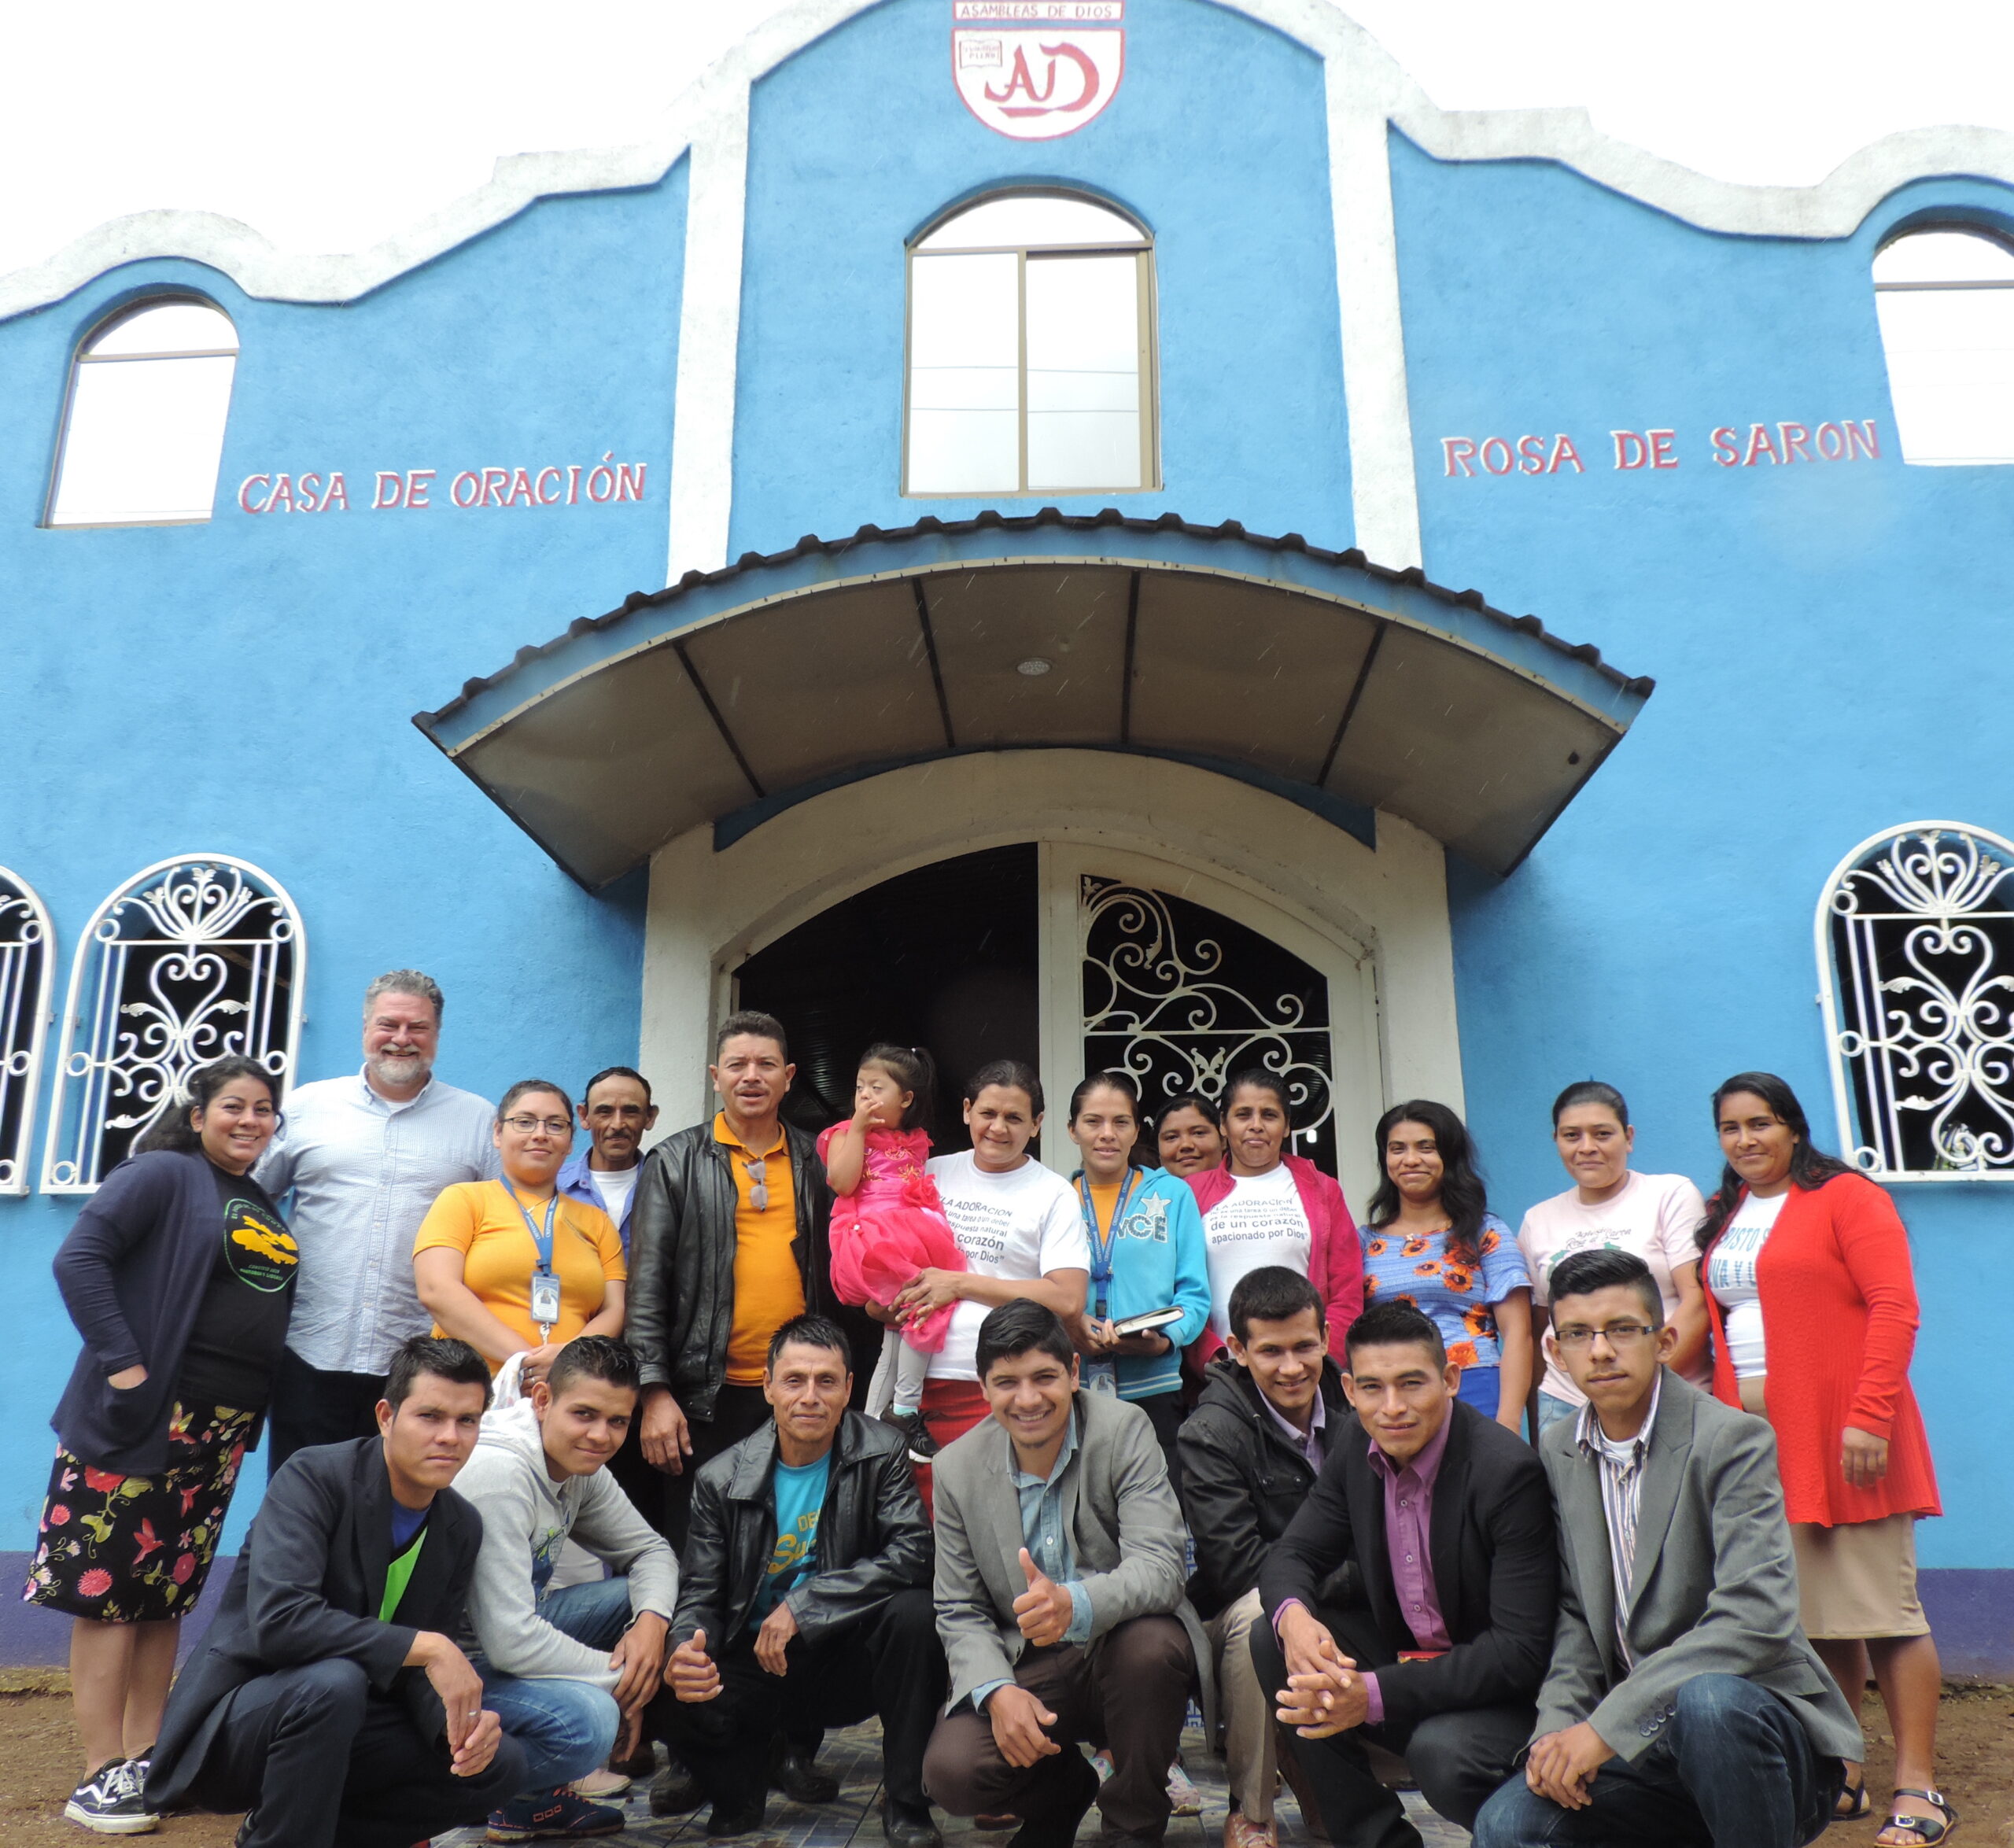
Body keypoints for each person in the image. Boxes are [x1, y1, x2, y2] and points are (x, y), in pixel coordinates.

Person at [1471, 1248, 1860, 1848]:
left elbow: (1757, 1616)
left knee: (1708, 1702)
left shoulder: (1731, 1439)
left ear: (1664, 1338)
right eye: (1577, 1334)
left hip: (1757, 1741)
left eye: (1622, 1329)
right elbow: (1576, 1613)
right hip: (1644, 1751)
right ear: (1555, 1353)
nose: (1600, 1350)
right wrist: (1557, 1731)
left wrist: (1607, 1725)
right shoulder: (1558, 1449)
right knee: (1508, 1825)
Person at [28, 1056, 296, 1835]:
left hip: (214, 1435)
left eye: (264, 1109)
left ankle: (150, 1756)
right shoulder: (163, 1173)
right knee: (110, 1597)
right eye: (235, 1106)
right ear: (200, 1111)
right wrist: (127, 1367)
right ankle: (98, 1769)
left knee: (164, 1596)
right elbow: (78, 1259)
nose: (251, 1120)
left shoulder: (254, 1198)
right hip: (142, 1422)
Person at [143, 1336, 528, 1848]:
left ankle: (310, 1833)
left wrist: (455, 1731)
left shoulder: (460, 1523)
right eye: (430, 1416)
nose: (450, 1437)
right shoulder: (314, 1477)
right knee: (334, 1683)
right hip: (239, 1725)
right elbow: (282, 1623)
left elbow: (415, 1678)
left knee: (502, 1764)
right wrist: (431, 1646)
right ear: (387, 1415)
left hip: (348, 1725)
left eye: (467, 1420)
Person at [1696, 1072, 1949, 1846]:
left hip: (1846, 1431)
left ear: (1794, 1128)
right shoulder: (1730, 1213)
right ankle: (1843, 1771)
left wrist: (1869, 1416)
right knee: (1816, 1618)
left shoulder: (1846, 1197)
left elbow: (1894, 1305)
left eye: (1761, 1123)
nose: (1746, 1140)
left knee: (1883, 1609)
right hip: (1758, 1436)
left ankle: (1918, 1783)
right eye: (1730, 1128)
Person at [1253, 1299, 1555, 1848]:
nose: (1392, 1407)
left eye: (1412, 1383)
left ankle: (1531, 1831)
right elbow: (1290, 1554)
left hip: (1498, 1693)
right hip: (1408, 1663)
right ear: (1347, 1390)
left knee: (1442, 1752)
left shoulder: (1505, 1471)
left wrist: (1369, 1693)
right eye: (1372, 1387)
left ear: (1451, 1379)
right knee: (1274, 1636)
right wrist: (1295, 1619)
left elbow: (1519, 1652)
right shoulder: (1354, 1442)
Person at [922, 1301, 1205, 1848]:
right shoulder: (955, 1467)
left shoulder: (1124, 1429)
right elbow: (958, 1607)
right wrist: (996, 1689)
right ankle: (1065, 1792)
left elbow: (1162, 1567)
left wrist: (1076, 1603)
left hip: (1117, 1645)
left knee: (1152, 1646)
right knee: (952, 1771)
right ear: (983, 1388)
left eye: (1044, 1377)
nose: (1028, 1399)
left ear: (1074, 1372)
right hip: (1024, 1660)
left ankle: (1133, 1827)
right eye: (1007, 1382)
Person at [655, 1315, 945, 1847]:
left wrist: (806, 1604)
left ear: (848, 1388)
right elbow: (699, 1593)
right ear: (768, 1386)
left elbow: (915, 1552)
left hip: (843, 1656)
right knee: (661, 1667)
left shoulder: (881, 1452)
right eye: (794, 1380)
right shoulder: (721, 1478)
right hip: (756, 1661)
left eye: (826, 1381)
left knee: (916, 1615)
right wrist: (684, 1649)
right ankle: (736, 1777)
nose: (810, 1396)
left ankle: (906, 1800)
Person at [257, 970, 498, 1467]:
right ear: (365, 1027)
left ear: (437, 1034)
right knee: (301, 1505)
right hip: (308, 1349)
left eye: (418, 1028)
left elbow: (501, 1228)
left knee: (398, 1512)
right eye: (388, 1025)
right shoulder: (305, 1107)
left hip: (422, 1365)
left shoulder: (477, 1120)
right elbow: (246, 1202)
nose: (401, 1040)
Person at [453, 1333, 677, 1842]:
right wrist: (621, 1683)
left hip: (501, 1647)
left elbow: (653, 1551)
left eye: (617, 1420)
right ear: (542, 1400)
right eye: (585, 1414)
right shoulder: (500, 1471)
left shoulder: (581, 1464)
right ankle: (460, 1789)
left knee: (647, 1602)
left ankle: (525, 1804)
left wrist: (650, 1629)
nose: (601, 1434)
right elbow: (512, 1639)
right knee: (592, 1721)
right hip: (443, 1672)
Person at [629, 1011, 834, 1548]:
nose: (752, 1076)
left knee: (788, 1544)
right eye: (738, 1064)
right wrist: (653, 1392)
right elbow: (646, 1284)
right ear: (715, 1075)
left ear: (790, 1076)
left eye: (766, 1064)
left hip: (797, 1391)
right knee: (700, 1550)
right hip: (703, 1400)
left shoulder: (817, 1160)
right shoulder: (674, 1160)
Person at [1175, 1267, 1352, 1848]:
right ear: (1237, 1350)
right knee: (1262, 1616)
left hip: (1343, 1591)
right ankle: (1251, 1810)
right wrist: (1322, 1591)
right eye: (1270, 1350)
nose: (1293, 1366)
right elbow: (1235, 1564)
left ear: (1327, 1336)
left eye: (1305, 1345)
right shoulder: (1210, 1430)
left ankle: (1331, 1779)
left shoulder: (1359, 1407)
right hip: (1241, 1606)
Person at [888, 1060, 1088, 1456]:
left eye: (1014, 1117)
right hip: (912, 1387)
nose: (998, 1128)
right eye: (987, 1114)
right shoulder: (930, 1173)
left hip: (1007, 1385)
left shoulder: (1053, 1193)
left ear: (1036, 1124)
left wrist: (960, 1284)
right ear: (967, 1111)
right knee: (917, 1511)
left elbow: (1067, 1299)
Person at [1516, 1080, 1710, 1435]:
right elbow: (1541, 1327)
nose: (1586, 1147)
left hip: (1664, 1394)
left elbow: (1696, 1302)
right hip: (1564, 1406)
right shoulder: (1537, 1220)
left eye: (1602, 1134)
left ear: (1629, 1137)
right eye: (1571, 1136)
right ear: (1556, 1141)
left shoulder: (1669, 1195)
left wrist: (1637, 1386)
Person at [413, 1079, 626, 1382]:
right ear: (498, 1133)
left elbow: (615, 1309)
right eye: (524, 1122)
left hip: (563, 1394)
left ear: (570, 1142)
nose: (540, 1134)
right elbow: (436, 1290)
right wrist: (525, 1361)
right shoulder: (463, 1200)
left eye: (555, 1125)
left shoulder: (597, 1222)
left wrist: (566, 1361)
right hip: (469, 1390)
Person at [821, 1043, 965, 1459]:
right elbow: (843, 1182)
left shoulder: (917, 1141)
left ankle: (866, 1432)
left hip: (909, 1236)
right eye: (860, 1087)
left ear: (906, 1099)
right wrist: (861, 1128)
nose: (865, 1095)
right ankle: (904, 1408)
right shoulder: (844, 1134)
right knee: (924, 1308)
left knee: (896, 1333)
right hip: (871, 1237)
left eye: (876, 1088)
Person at [1063, 1071, 1212, 1474]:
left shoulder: (1173, 1195)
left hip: (1155, 1384)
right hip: (1071, 1387)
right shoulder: (1055, 1199)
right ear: (1072, 1130)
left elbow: (1194, 1295)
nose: (1107, 1134)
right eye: (1093, 1122)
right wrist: (1073, 1325)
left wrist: (1165, 1343)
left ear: (1136, 1131)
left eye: (1120, 1122)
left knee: (1157, 1512)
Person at [1357, 1099, 1531, 1429]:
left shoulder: (1485, 1231)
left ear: (1449, 1157)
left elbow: (1518, 1332)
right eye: (1398, 1149)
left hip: (1474, 1383)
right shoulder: (1363, 1241)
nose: (1411, 1160)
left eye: (1426, 1148)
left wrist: (1508, 1420)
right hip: (1392, 1395)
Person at [1186, 1068, 1360, 1367]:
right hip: (1224, 1371)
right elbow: (1179, 1289)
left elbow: (1347, 1290)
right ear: (1223, 1126)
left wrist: (1322, 1361)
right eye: (1243, 1115)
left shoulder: (1323, 1190)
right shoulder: (1192, 1192)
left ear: (1287, 1126)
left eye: (1269, 1115)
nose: (1256, 1126)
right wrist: (1211, 1360)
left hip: (1304, 1370)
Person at [557, 1066, 660, 1252]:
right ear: (584, 1116)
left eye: (630, 1112)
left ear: (649, 1117)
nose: (617, 1124)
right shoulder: (553, 1188)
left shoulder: (669, 1190)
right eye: (605, 1112)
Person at [1153, 1091, 1226, 1180]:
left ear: (1223, 1140)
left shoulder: (1244, 1190)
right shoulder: (1141, 1193)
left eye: (1198, 1133)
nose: (1186, 1145)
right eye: (1172, 1137)